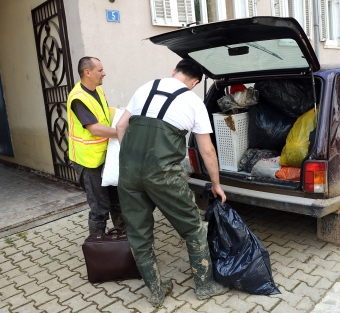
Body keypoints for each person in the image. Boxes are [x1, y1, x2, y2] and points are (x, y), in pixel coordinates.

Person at [116, 59, 229, 307]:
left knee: (138, 232)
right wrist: (216, 183)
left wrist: (130, 160)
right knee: (193, 228)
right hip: (163, 174)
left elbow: (120, 126)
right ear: (196, 82)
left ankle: (156, 291)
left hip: (127, 170)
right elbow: (207, 150)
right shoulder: (193, 102)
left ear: (173, 72)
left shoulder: (144, 88)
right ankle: (204, 286)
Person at [67, 56, 125, 234]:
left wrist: (125, 113)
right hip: (88, 161)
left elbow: (104, 113)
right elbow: (95, 128)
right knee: (99, 208)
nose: (104, 73)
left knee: (117, 200)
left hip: (104, 156)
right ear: (87, 72)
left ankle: (122, 240)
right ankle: (98, 248)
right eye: (100, 70)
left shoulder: (97, 91)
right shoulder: (78, 98)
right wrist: (121, 132)